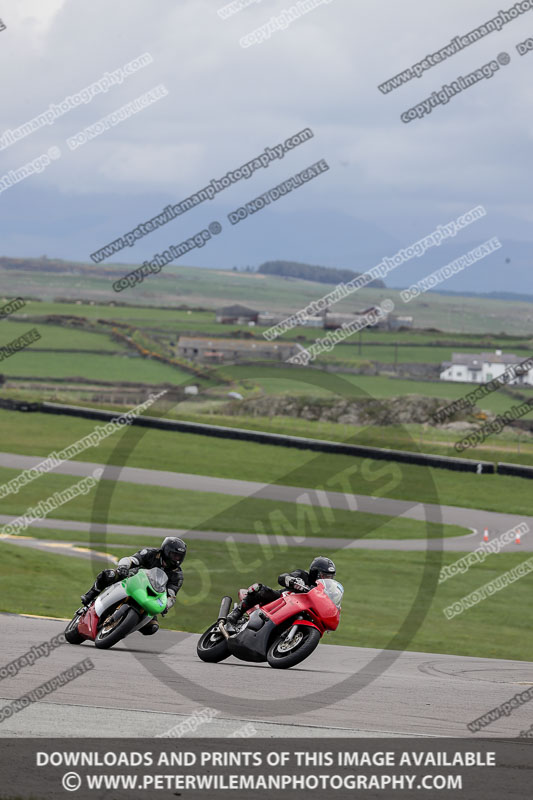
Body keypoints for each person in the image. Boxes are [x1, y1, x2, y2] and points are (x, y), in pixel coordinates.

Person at [80, 536, 186, 635]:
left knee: (152, 627)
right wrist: (123, 567)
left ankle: (125, 625)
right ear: (166, 551)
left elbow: (171, 595)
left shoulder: (178, 575)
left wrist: (166, 606)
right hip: (132, 579)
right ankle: (90, 595)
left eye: (179, 556)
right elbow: (131, 559)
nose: (177, 559)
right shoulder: (150, 553)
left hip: (150, 596)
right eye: (174, 555)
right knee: (110, 574)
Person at [225, 556, 336, 629]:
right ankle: (236, 613)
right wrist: (292, 580)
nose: (327, 579)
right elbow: (282, 578)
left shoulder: (323, 590)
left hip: (301, 611)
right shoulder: (303, 575)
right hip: (281, 600)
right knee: (259, 589)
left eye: (330, 577)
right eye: (324, 576)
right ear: (314, 572)